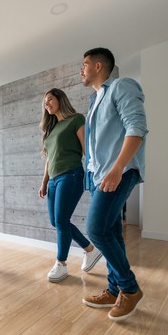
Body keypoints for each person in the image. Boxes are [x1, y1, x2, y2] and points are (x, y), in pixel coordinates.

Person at [80, 47, 149, 321]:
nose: (81, 71)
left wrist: (117, 168)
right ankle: (113, 289)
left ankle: (130, 289)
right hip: (100, 176)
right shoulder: (94, 100)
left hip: (119, 172)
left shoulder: (121, 86)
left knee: (95, 230)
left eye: (84, 65)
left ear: (98, 66)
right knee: (112, 233)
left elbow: (136, 127)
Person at [38, 88, 102, 282]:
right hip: (54, 180)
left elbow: (86, 150)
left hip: (71, 175)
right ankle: (90, 249)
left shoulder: (76, 119)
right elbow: (49, 159)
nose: (46, 103)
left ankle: (61, 264)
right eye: (45, 102)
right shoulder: (50, 130)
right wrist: (44, 183)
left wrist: (94, 175)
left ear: (60, 99)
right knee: (57, 222)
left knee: (61, 220)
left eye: (50, 99)